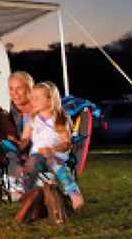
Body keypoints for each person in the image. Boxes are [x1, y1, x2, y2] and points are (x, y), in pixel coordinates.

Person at [18, 81, 85, 210]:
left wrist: (52, 149)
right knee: (29, 167)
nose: (33, 101)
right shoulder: (31, 119)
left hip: (56, 153)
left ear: (50, 101)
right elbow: (25, 139)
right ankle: (30, 197)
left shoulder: (59, 119)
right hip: (37, 156)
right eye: (32, 98)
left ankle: (74, 193)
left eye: (37, 98)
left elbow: (67, 144)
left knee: (53, 161)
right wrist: (18, 147)